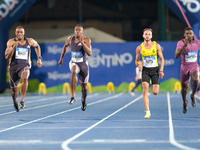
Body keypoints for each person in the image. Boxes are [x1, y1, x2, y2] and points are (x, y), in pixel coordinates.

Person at [5, 26, 42, 112]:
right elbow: (7, 56)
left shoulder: (30, 41)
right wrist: (14, 48)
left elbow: (37, 46)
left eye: (21, 32)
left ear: (24, 33)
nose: (19, 34)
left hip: (25, 66)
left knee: (25, 77)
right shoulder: (11, 42)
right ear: (15, 33)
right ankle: (15, 100)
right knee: (14, 91)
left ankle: (22, 100)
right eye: (17, 32)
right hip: (13, 68)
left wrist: (39, 58)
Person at [58, 24, 92, 111]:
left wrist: (83, 43)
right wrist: (61, 58)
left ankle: (83, 102)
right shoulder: (70, 39)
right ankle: (73, 96)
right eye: (76, 30)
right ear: (74, 31)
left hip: (83, 64)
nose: (77, 31)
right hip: (74, 63)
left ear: (82, 31)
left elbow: (89, 53)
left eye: (79, 30)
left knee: (84, 87)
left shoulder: (86, 39)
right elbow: (65, 46)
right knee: (73, 71)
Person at [135, 28, 164, 119]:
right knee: (145, 90)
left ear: (151, 36)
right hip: (145, 71)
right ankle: (147, 111)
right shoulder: (139, 48)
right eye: (146, 34)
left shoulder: (156, 46)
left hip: (155, 70)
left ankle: (153, 83)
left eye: (149, 34)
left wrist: (161, 70)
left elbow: (162, 59)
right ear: (143, 35)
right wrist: (138, 64)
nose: (147, 36)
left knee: (155, 92)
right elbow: (136, 61)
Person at [175, 27, 200, 114]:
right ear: (184, 35)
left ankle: (193, 94)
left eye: (190, 33)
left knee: (196, 79)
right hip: (184, 67)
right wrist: (184, 46)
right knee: (184, 89)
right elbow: (177, 56)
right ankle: (185, 102)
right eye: (187, 33)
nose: (188, 35)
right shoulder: (181, 43)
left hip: (194, 66)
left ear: (193, 35)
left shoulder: (197, 42)